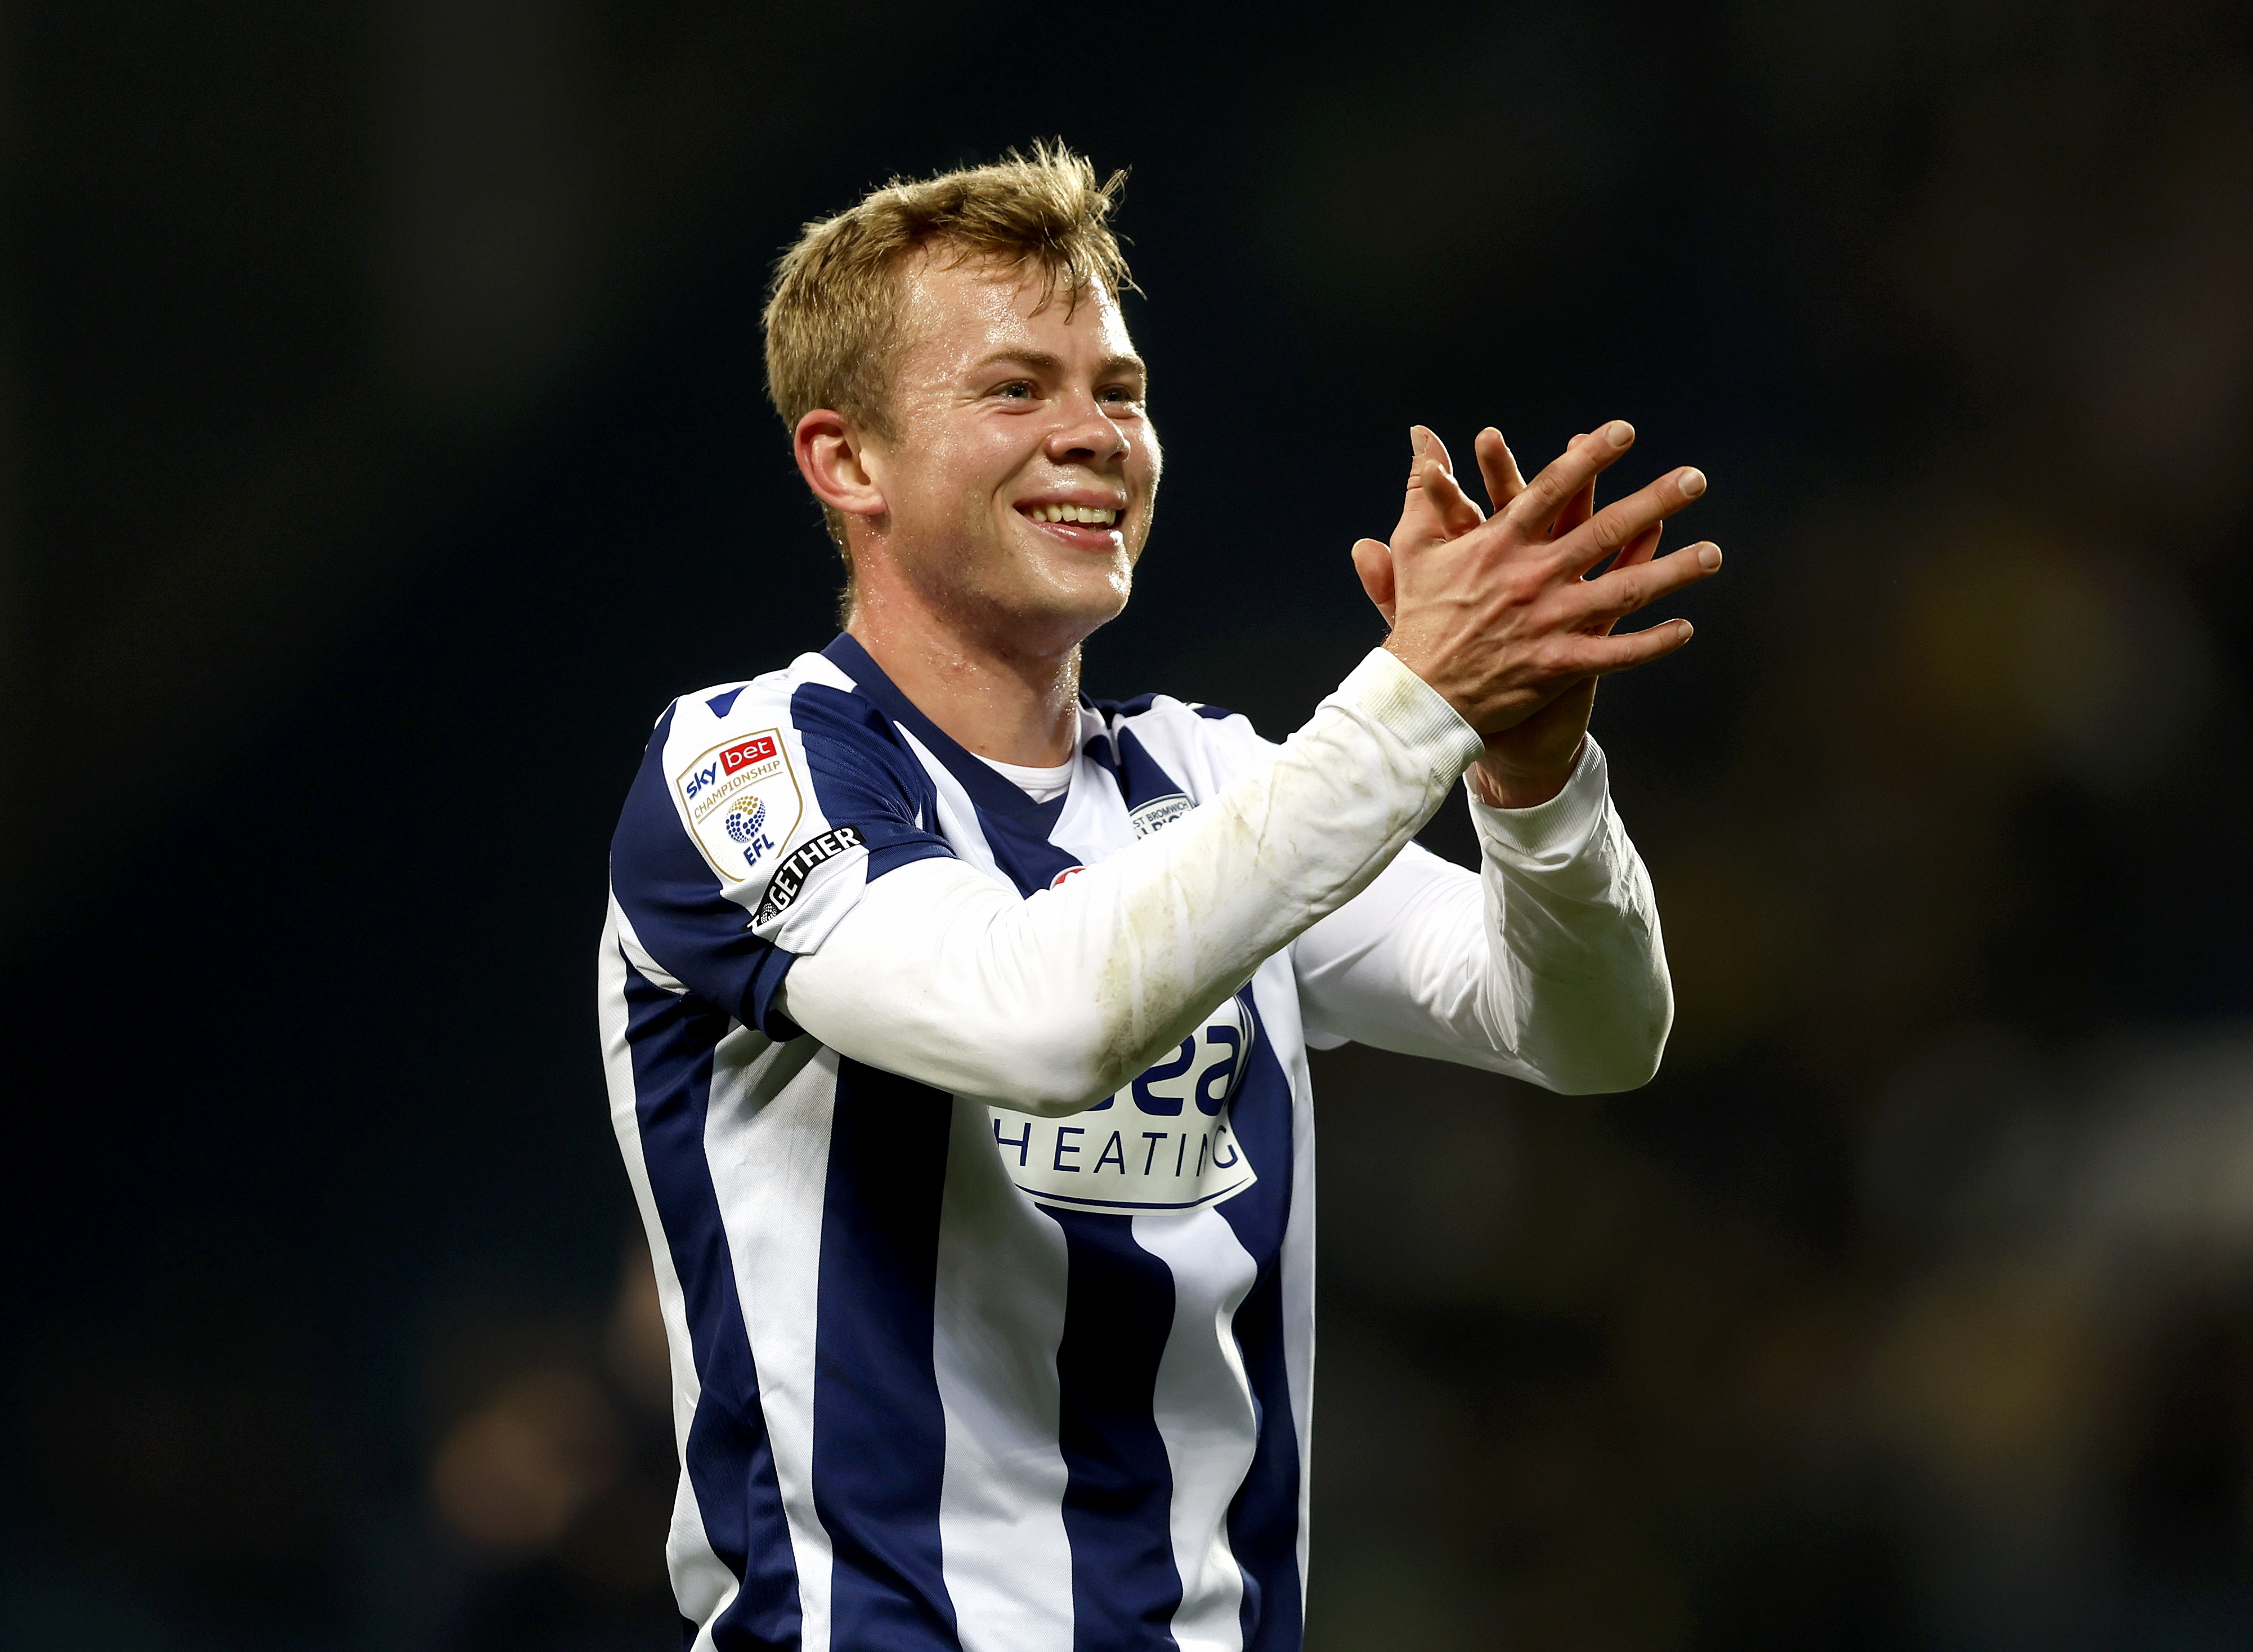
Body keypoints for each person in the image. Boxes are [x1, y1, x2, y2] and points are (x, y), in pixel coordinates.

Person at [598, 144, 1721, 1652]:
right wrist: (1413, 698)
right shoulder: (744, 767)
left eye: (1116, 393)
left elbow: (1585, 1030)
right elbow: (1035, 1020)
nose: (1090, 439)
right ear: (845, 459)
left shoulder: (1209, 785)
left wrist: (1529, 778)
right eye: (1013, 391)